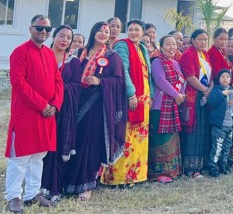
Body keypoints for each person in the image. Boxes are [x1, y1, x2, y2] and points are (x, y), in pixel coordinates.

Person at [5, 15, 63, 213]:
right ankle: (13, 195)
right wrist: (42, 104)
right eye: (39, 28)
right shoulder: (19, 52)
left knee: (39, 156)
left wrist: (55, 105)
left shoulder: (49, 54)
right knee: (20, 156)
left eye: (47, 28)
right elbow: (19, 84)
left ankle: (32, 194)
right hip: (26, 113)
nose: (44, 32)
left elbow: (58, 81)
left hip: (47, 114)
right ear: (31, 29)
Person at [64, 21, 126, 201]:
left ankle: (88, 183)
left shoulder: (111, 56)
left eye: (107, 32)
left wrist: (101, 82)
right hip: (75, 102)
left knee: (91, 142)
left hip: (97, 105)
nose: (104, 34)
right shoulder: (78, 53)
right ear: (93, 32)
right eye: (100, 30)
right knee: (75, 140)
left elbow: (119, 80)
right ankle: (69, 181)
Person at [101, 19, 152, 187]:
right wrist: (131, 94)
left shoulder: (143, 48)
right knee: (126, 136)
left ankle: (136, 176)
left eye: (137, 29)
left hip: (144, 99)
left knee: (140, 139)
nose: (133, 32)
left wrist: (149, 95)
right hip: (130, 97)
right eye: (130, 29)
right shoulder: (122, 46)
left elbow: (147, 74)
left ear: (142, 31)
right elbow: (123, 71)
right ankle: (120, 178)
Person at [41, 25, 83, 201]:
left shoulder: (73, 62)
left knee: (57, 148)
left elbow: (76, 86)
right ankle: (37, 186)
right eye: (61, 36)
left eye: (68, 38)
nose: (64, 40)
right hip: (42, 109)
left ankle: (55, 187)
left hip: (64, 111)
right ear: (53, 36)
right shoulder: (42, 55)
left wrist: (59, 90)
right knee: (40, 148)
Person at [148, 35, 185, 183]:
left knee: (172, 137)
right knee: (160, 138)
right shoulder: (157, 61)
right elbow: (160, 80)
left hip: (174, 106)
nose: (172, 47)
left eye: (174, 44)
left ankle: (173, 170)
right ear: (161, 47)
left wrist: (181, 94)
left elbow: (182, 80)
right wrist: (176, 94)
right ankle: (159, 173)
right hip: (160, 105)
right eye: (168, 44)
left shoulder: (176, 63)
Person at [178, 29, 212, 178]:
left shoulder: (205, 55)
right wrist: (205, 90)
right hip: (194, 96)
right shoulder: (188, 55)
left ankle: (202, 164)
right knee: (194, 132)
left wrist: (209, 89)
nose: (203, 42)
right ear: (192, 40)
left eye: (205, 39)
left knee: (203, 131)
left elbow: (211, 75)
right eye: (200, 39)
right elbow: (190, 77)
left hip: (204, 95)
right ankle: (191, 168)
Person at [206, 69, 233, 177]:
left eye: (227, 77)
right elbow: (211, 101)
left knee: (226, 147)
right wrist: (222, 94)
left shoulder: (232, 90)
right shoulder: (216, 90)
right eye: (222, 77)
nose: (225, 79)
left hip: (230, 125)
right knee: (217, 147)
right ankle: (213, 167)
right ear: (219, 79)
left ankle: (223, 165)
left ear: (230, 79)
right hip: (219, 125)